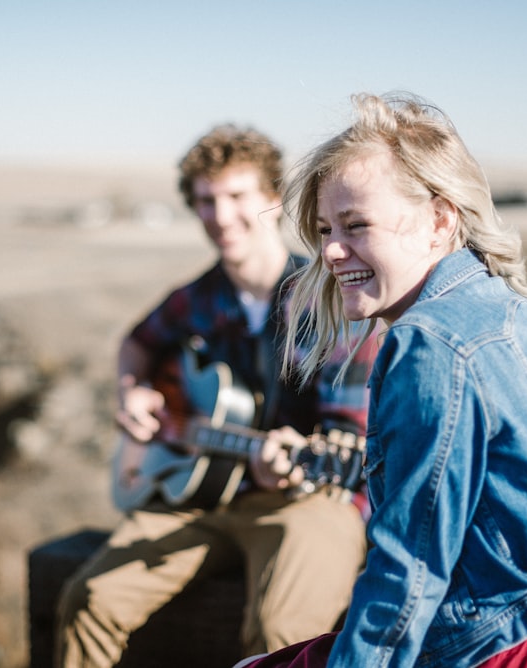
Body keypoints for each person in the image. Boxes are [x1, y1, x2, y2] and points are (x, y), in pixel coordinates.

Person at [235, 93, 527, 668]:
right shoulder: (518, 310)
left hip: (508, 641)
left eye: (356, 224)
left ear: (441, 221)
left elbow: (409, 572)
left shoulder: (429, 344)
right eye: (323, 229)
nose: (333, 251)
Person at [55, 124, 382, 667]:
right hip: (201, 495)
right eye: (206, 201)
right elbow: (136, 345)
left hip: (306, 497)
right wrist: (130, 393)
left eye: (236, 196)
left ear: (274, 200)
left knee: (284, 635)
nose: (220, 215)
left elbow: (346, 437)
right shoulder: (196, 299)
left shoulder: (330, 301)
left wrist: (291, 461)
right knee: (88, 599)